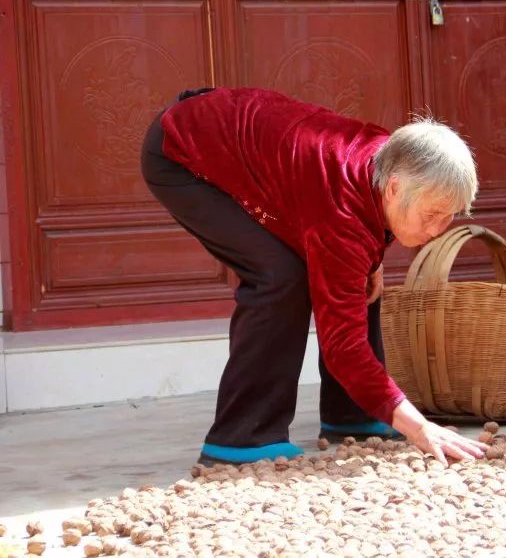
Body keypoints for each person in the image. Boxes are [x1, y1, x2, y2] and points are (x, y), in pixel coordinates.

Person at [141, 87, 486, 465]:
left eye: (448, 216)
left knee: (359, 278)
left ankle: (353, 412)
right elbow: (343, 346)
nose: (437, 230)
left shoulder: (394, 159)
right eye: (431, 215)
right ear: (394, 188)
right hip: (182, 150)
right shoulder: (342, 214)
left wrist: (372, 262)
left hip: (247, 138)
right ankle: (242, 436)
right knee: (280, 277)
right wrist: (418, 427)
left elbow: (359, 230)